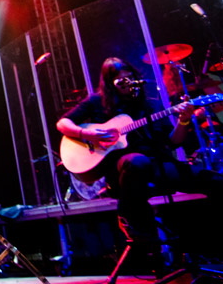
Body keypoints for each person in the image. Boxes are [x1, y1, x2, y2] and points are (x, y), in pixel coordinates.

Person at [56, 57, 223, 257]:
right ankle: (129, 216)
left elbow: (173, 142)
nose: (127, 82)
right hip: (122, 168)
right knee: (137, 161)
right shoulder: (96, 102)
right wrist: (88, 134)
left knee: (215, 181)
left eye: (129, 77)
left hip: (156, 164)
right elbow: (63, 124)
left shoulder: (149, 105)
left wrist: (184, 120)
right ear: (110, 84)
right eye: (120, 80)